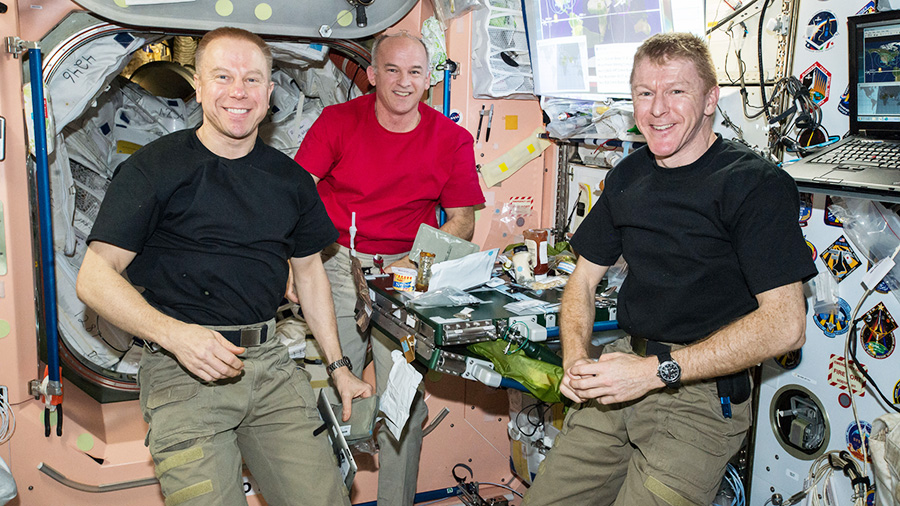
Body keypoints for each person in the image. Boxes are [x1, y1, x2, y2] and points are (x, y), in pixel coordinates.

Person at [76, 27, 373, 506]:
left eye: (253, 79)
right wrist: (176, 335)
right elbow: (93, 277)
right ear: (197, 85)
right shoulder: (153, 170)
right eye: (223, 76)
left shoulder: (290, 180)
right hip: (181, 370)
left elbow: (311, 273)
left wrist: (339, 367)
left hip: (270, 365)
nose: (239, 92)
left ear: (270, 91)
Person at [522, 32, 818, 506]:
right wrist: (576, 360)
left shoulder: (755, 185)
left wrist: (657, 372)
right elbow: (582, 279)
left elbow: (786, 326)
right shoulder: (628, 174)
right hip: (621, 372)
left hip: (697, 397)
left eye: (676, 91)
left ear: (708, 99)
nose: (657, 109)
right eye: (644, 93)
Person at [294, 31, 484, 505]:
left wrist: (415, 262)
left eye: (415, 72)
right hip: (337, 260)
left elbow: (462, 220)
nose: (403, 83)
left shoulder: (452, 140)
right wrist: (289, 268)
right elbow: (294, 196)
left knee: (405, 405)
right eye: (392, 71)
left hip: (406, 273)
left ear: (429, 79)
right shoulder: (338, 121)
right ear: (373, 75)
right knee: (332, 389)